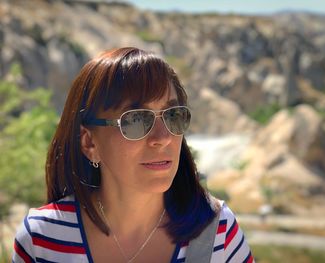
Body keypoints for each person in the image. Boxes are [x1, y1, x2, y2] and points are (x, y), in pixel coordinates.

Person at [12, 47, 255, 263]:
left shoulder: (216, 231)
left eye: (173, 115)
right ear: (89, 142)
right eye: (136, 119)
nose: (163, 138)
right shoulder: (42, 239)